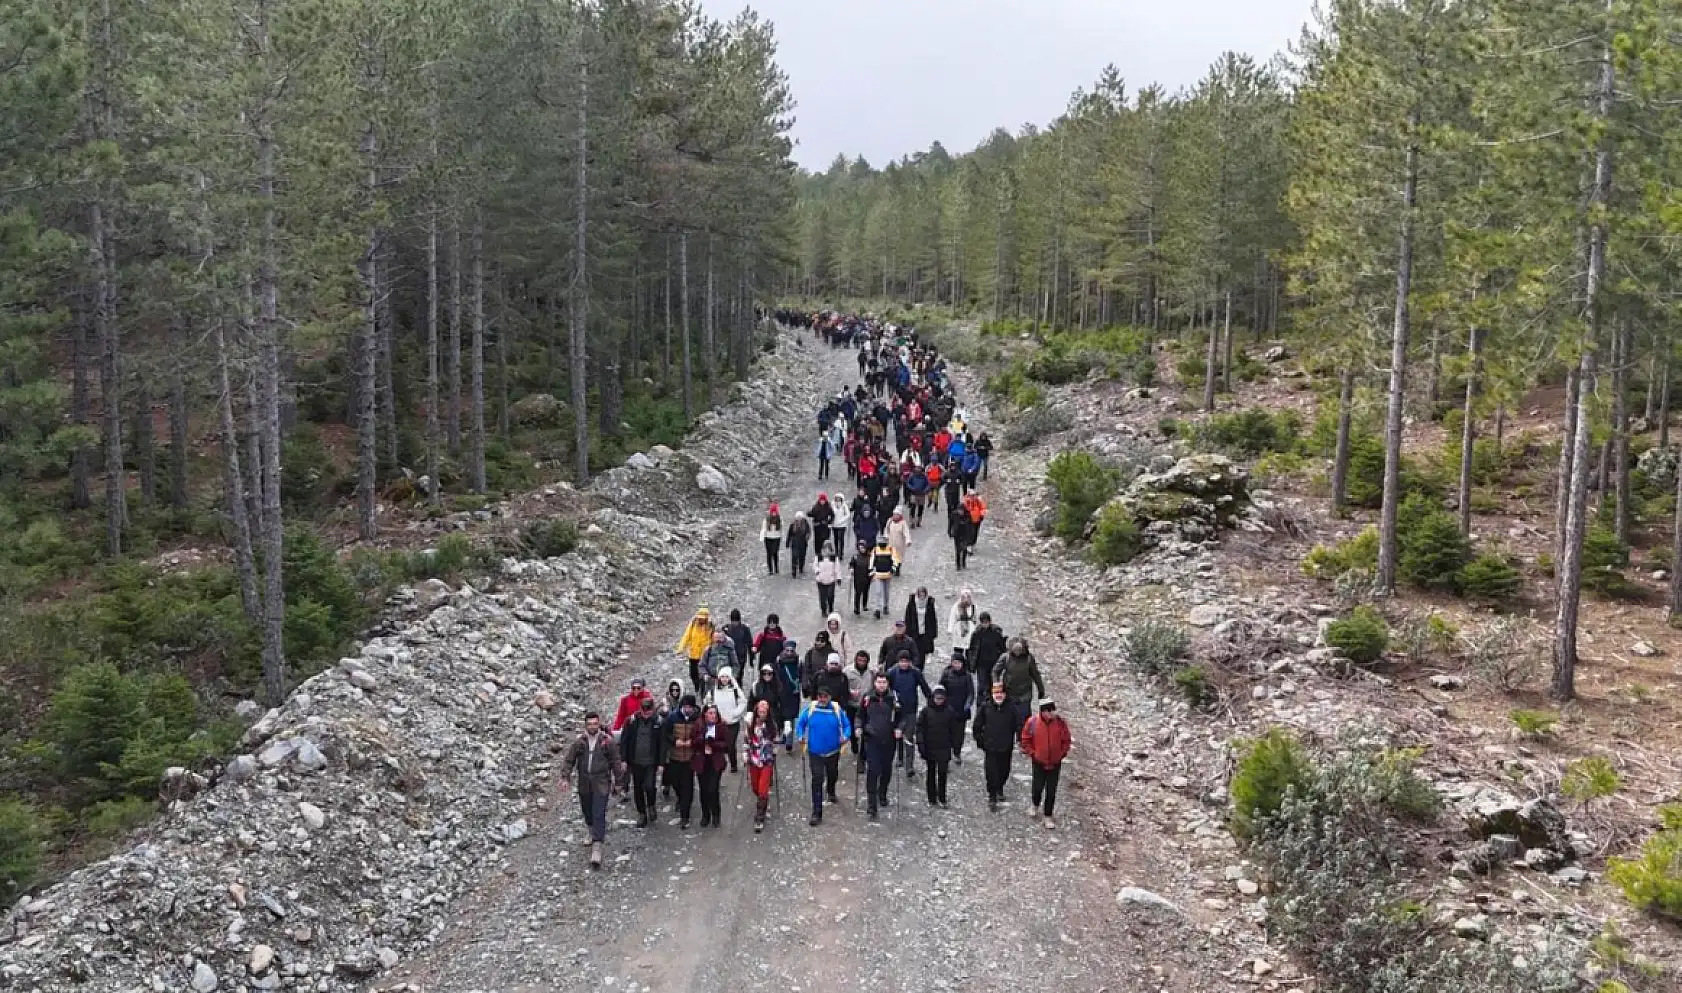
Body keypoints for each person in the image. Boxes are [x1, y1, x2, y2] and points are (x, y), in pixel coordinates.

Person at [561, 711, 624, 867]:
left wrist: (619, 781)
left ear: (599, 724)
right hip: (584, 782)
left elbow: (616, 761)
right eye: (589, 724)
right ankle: (591, 831)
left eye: (595, 724)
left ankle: (597, 846)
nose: (592, 727)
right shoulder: (579, 742)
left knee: (598, 812)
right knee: (587, 811)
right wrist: (565, 777)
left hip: (601, 782)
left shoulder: (607, 742)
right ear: (585, 725)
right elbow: (569, 760)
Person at [795, 684, 852, 826]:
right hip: (815, 751)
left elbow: (846, 725)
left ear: (830, 697)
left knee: (832, 774)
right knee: (817, 779)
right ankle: (817, 811)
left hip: (833, 751)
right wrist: (801, 735)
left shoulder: (837, 709)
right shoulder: (811, 709)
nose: (822, 699)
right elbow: (800, 724)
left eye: (825, 696)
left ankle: (831, 790)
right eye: (820, 696)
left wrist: (846, 736)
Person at [1020, 699, 1073, 829]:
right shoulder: (1032, 722)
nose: (1052, 713)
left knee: (1051, 790)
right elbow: (1025, 739)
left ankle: (1048, 815)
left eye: (1053, 710)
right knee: (1037, 786)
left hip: (1055, 763)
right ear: (1042, 711)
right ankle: (1035, 804)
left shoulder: (1060, 723)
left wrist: (1062, 754)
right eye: (1049, 711)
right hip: (1038, 762)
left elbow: (1066, 740)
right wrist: (1033, 753)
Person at [974, 683, 1025, 811]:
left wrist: (1019, 739)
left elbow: (1019, 725)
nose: (998, 695)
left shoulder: (1011, 708)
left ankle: (1000, 787)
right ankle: (992, 796)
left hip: (1006, 746)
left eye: (1000, 693)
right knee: (991, 772)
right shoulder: (985, 707)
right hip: (990, 747)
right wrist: (980, 741)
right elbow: (977, 725)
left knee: (1004, 770)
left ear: (1005, 694)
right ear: (992, 694)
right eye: (996, 693)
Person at [619, 697, 666, 827]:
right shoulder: (631, 721)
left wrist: (661, 763)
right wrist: (623, 759)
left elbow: (663, 744)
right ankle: (642, 814)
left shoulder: (659, 722)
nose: (646, 714)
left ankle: (651, 805)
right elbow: (624, 741)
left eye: (648, 711)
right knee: (638, 788)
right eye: (644, 711)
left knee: (650, 786)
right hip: (635, 761)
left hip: (651, 762)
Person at [858, 673, 900, 820]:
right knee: (873, 771)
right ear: (874, 683)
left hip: (889, 741)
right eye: (879, 682)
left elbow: (902, 717)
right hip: (872, 740)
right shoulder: (867, 698)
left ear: (888, 684)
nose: (881, 685)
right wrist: (859, 727)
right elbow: (860, 716)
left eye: (884, 682)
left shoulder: (894, 698)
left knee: (886, 770)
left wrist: (899, 728)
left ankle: (882, 793)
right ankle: (871, 805)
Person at [885, 651, 933, 775]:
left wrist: (931, 700)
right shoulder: (892, 672)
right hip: (897, 710)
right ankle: (900, 758)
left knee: (909, 736)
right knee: (898, 735)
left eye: (906, 661)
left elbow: (924, 687)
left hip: (911, 709)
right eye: (902, 661)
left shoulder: (915, 672)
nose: (904, 664)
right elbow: (886, 688)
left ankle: (909, 766)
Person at [916, 685, 960, 807]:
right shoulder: (925, 711)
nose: (939, 701)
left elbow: (954, 730)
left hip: (944, 747)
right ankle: (931, 798)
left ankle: (942, 797)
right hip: (930, 746)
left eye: (941, 698)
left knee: (942, 773)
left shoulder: (949, 711)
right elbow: (919, 728)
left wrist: (954, 744)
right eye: (937, 698)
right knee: (930, 773)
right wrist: (920, 743)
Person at [664, 695, 701, 828]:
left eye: (689, 707)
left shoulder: (697, 719)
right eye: (685, 707)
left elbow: (701, 734)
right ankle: (680, 799)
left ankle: (685, 815)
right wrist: (674, 741)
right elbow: (666, 733)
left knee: (687, 786)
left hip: (689, 758)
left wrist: (693, 742)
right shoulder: (673, 717)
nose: (687, 709)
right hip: (675, 757)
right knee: (675, 782)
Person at [744, 701, 781, 832]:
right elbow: (746, 741)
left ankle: (760, 816)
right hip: (754, 760)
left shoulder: (772, 725)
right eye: (760, 712)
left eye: (764, 712)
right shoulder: (750, 725)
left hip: (767, 760)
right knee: (755, 786)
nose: (762, 714)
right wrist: (745, 755)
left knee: (762, 789)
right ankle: (763, 803)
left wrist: (775, 750)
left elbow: (776, 740)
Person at [692, 704, 730, 828]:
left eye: (714, 713)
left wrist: (714, 744)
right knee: (703, 790)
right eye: (710, 713)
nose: (712, 716)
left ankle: (716, 814)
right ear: (705, 714)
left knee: (712, 789)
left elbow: (726, 744)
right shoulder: (698, 725)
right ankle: (705, 815)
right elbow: (693, 741)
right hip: (702, 761)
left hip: (715, 761)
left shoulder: (721, 726)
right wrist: (702, 740)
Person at [939, 649, 975, 765]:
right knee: (946, 732)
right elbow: (940, 689)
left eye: (958, 663)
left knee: (959, 734)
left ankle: (957, 752)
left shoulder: (967, 676)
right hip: (948, 708)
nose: (956, 665)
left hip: (961, 709)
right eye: (954, 663)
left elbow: (971, 693)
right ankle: (946, 754)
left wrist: (968, 705)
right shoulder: (946, 673)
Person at [966, 612, 1008, 705]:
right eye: (983, 622)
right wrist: (970, 664)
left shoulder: (996, 632)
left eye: (986, 621)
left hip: (994, 664)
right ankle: (980, 706)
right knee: (981, 686)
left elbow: (1002, 648)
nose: (985, 624)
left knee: (993, 685)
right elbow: (971, 649)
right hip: (981, 664)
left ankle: (992, 705)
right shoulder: (977, 633)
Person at [994, 636, 1046, 710]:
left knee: (1024, 718)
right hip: (1009, 693)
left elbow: (1035, 675)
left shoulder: (1029, 659)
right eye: (1015, 650)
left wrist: (1041, 690)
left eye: (1019, 650)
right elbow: (995, 671)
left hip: (1025, 694)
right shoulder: (1006, 657)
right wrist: (996, 685)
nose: (1017, 652)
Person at [713, 667, 749, 774]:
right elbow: (708, 702)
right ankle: (719, 764)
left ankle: (733, 764)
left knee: (730, 745)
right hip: (718, 723)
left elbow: (743, 702)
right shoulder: (713, 690)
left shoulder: (735, 690)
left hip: (732, 723)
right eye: (722, 677)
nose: (724, 679)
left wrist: (735, 713)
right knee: (718, 744)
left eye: (726, 677)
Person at [844, 650, 874, 768]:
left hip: (865, 705)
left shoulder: (871, 672)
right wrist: (849, 692)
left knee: (863, 731)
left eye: (864, 661)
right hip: (851, 704)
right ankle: (854, 745)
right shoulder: (847, 671)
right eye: (859, 660)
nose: (861, 662)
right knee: (852, 729)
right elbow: (842, 686)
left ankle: (862, 757)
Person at [676, 608, 715, 696]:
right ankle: (697, 686)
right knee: (693, 674)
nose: (700, 619)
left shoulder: (711, 626)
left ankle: (702, 690)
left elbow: (713, 640)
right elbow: (686, 636)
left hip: (705, 656)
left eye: (702, 618)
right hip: (693, 655)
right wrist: (680, 649)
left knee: (703, 674)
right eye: (699, 617)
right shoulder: (693, 624)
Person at [774, 643, 803, 751]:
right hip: (781, 692)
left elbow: (801, 676)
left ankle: (789, 741)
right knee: (782, 716)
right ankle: (785, 736)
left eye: (791, 650)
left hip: (793, 693)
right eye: (788, 650)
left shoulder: (798, 662)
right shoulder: (778, 662)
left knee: (789, 717)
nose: (790, 652)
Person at [904, 586, 939, 663]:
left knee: (923, 649)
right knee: (914, 649)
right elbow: (907, 617)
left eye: (923, 595)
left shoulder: (929, 603)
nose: (922, 597)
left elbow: (933, 618)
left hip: (925, 631)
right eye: (920, 595)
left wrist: (934, 632)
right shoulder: (912, 603)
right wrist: (906, 630)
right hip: (914, 630)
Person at [698, 631, 736, 699]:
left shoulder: (729, 650)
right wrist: (705, 675)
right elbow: (702, 665)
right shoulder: (708, 650)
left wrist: (732, 676)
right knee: (710, 703)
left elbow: (735, 665)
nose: (718, 640)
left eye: (720, 637)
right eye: (716, 637)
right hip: (711, 681)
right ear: (712, 638)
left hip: (725, 682)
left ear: (724, 638)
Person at [947, 589, 979, 662]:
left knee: (969, 650)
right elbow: (952, 617)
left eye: (968, 597)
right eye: (964, 597)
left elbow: (976, 618)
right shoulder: (956, 606)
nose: (966, 599)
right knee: (958, 650)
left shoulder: (973, 606)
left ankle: (968, 667)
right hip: (959, 630)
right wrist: (950, 629)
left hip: (970, 629)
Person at [870, 536, 896, 619]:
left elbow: (895, 560)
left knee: (886, 592)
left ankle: (885, 606)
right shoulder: (875, 550)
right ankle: (877, 608)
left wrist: (893, 569)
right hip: (878, 574)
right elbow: (872, 561)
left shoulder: (891, 549)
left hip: (887, 574)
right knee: (878, 592)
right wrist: (871, 571)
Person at [814, 544, 842, 615]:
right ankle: (823, 610)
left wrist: (838, 578)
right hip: (821, 581)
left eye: (828, 549)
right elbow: (815, 565)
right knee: (822, 597)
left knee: (830, 595)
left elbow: (837, 568)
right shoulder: (818, 557)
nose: (826, 551)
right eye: (825, 549)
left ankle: (830, 607)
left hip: (831, 580)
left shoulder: (834, 558)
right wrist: (817, 571)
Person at [848, 541, 874, 616]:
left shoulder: (869, 556)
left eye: (863, 548)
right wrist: (851, 569)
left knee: (865, 591)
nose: (862, 549)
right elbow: (851, 564)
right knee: (858, 593)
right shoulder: (855, 557)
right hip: (858, 577)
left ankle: (864, 604)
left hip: (867, 577)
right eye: (860, 548)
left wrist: (872, 573)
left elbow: (872, 566)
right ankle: (856, 608)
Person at [787, 511, 813, 578]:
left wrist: (807, 537)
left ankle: (801, 567)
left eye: (800, 517)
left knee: (802, 556)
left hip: (803, 542)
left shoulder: (805, 523)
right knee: (794, 557)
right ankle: (794, 571)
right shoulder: (792, 524)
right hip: (795, 542)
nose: (798, 519)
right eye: (797, 517)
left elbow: (809, 531)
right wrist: (788, 542)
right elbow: (789, 534)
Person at [885, 508, 911, 574]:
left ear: (900, 515)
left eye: (897, 514)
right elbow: (887, 529)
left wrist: (908, 540)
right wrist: (886, 536)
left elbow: (906, 532)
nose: (895, 516)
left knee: (899, 557)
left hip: (899, 544)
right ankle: (892, 568)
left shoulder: (903, 523)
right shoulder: (890, 521)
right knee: (891, 557)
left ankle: (897, 569)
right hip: (891, 543)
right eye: (894, 514)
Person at [760, 503, 784, 575]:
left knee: (775, 552)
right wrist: (762, 537)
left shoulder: (779, 519)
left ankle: (776, 568)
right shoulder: (766, 519)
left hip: (776, 537)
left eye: (775, 512)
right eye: (773, 512)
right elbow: (763, 529)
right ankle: (770, 570)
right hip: (768, 538)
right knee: (769, 554)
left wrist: (782, 535)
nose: (774, 513)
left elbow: (781, 529)